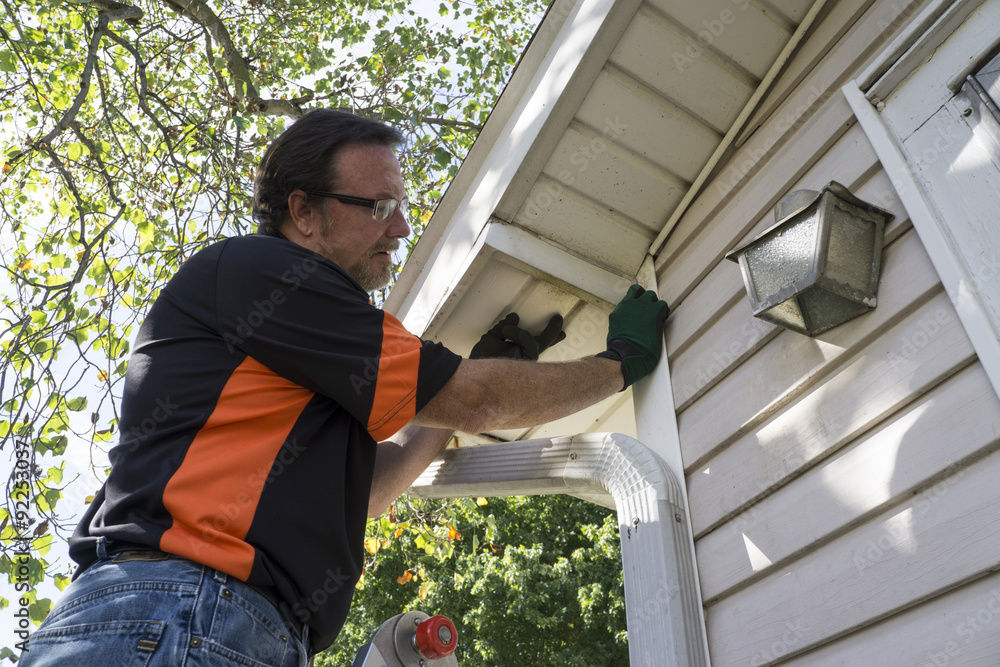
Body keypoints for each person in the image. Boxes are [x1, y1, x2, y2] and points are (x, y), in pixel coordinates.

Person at [20, 109, 669, 666]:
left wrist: (455, 391)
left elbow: (370, 493)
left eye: (403, 208)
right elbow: (480, 398)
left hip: (201, 619)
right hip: (181, 608)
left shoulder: (301, 361)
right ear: (302, 211)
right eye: (379, 206)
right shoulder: (267, 273)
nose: (401, 229)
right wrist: (618, 362)